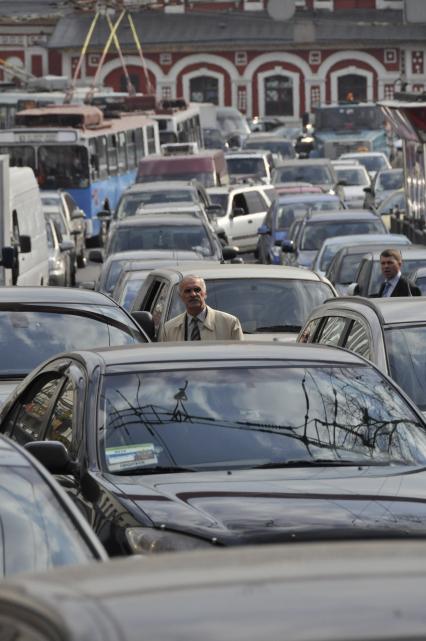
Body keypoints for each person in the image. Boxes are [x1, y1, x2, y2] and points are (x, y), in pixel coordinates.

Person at [159, 275, 244, 342]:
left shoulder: (230, 324)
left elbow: (240, 357)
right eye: (187, 291)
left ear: (205, 294)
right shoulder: (169, 329)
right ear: (181, 297)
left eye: (197, 290)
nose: (193, 294)